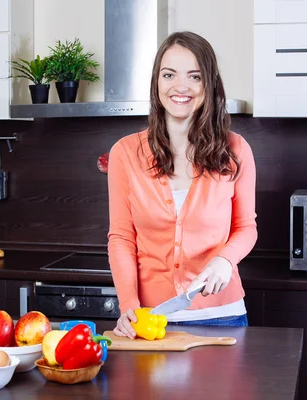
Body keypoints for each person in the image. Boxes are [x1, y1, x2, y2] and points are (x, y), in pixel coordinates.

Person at [107, 31, 257, 338]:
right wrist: (129, 305)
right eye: (169, 74)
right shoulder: (125, 153)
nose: (181, 87)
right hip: (150, 321)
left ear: (209, 84)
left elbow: (246, 227)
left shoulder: (236, 150)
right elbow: (121, 237)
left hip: (222, 317)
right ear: (157, 82)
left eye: (194, 76)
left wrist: (224, 261)